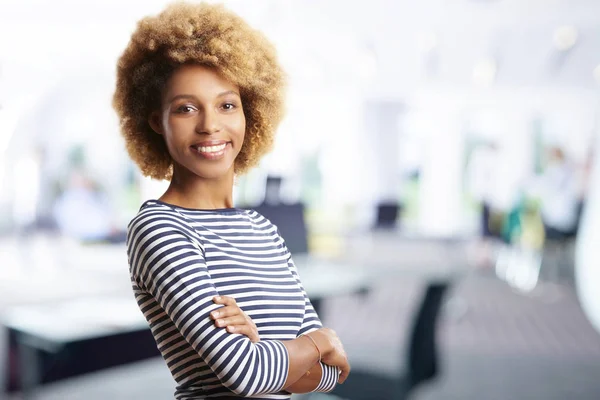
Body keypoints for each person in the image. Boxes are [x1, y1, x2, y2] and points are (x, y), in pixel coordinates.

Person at [112, 2, 350, 399]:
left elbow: (330, 375)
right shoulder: (159, 228)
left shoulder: (263, 231)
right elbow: (247, 375)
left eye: (227, 105)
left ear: (249, 113)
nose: (210, 125)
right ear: (157, 121)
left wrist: (264, 354)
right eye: (186, 108)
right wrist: (313, 344)